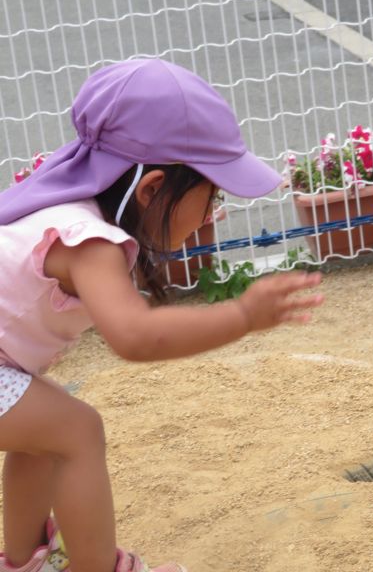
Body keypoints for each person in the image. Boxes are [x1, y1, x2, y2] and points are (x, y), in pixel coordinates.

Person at [0, 59, 323, 572]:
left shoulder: (66, 207)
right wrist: (241, 315)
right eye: (210, 195)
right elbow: (136, 336)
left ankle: (21, 561)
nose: (212, 212)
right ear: (151, 190)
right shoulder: (90, 241)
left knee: (44, 437)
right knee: (77, 432)